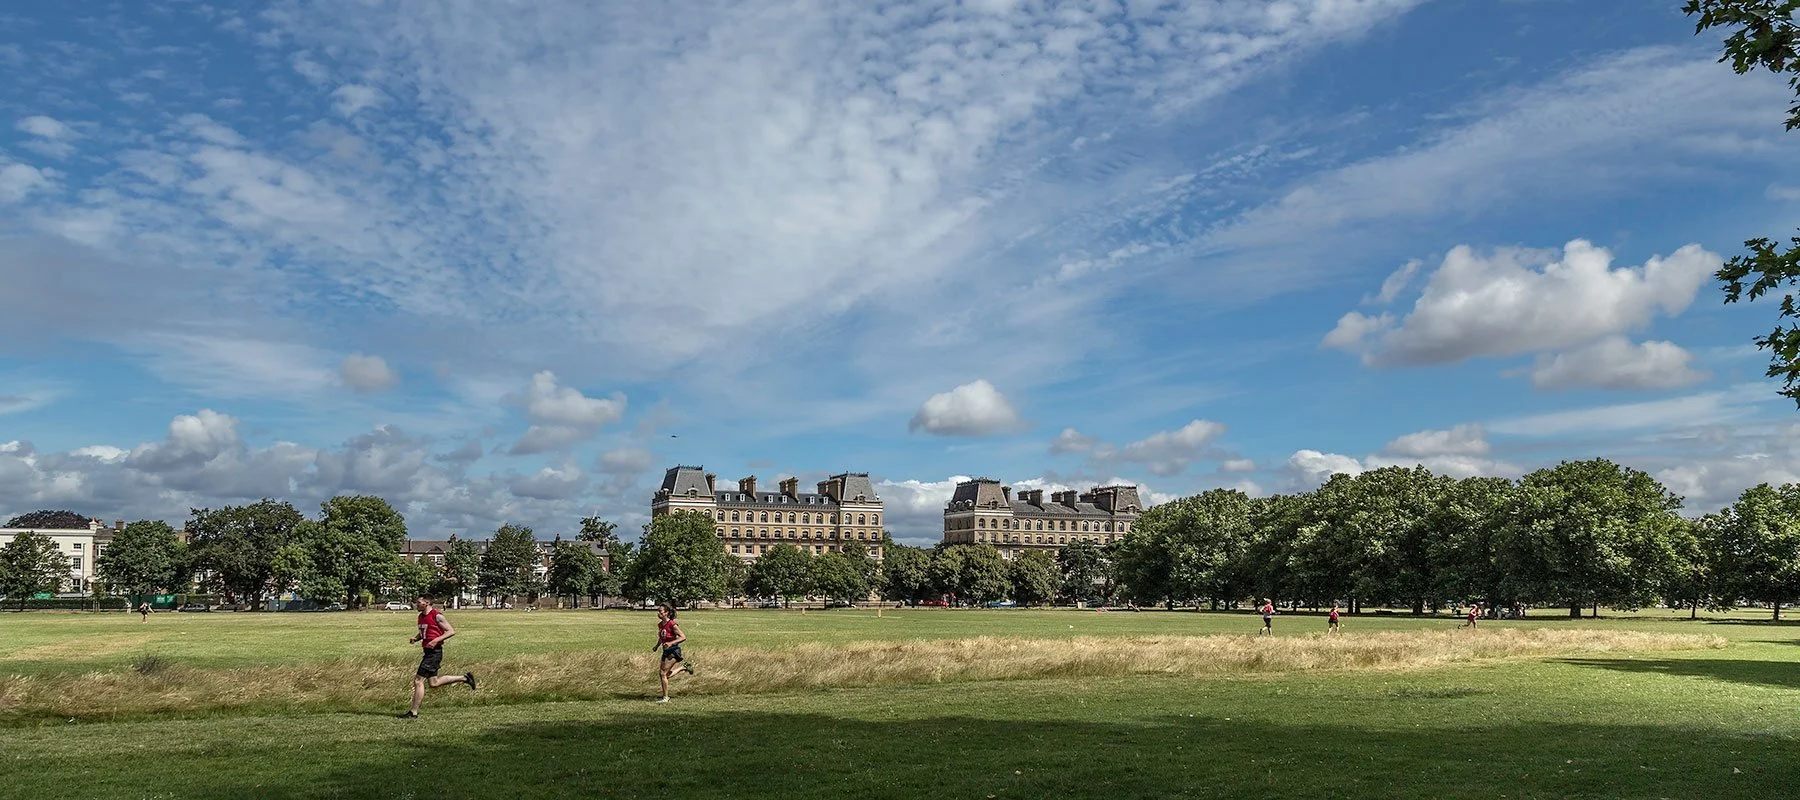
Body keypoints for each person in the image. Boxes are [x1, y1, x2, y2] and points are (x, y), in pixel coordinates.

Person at [401, 595, 475, 719]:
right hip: (428, 652)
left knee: (418, 681)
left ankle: (413, 712)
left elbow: (451, 631)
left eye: (419, 602)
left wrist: (436, 641)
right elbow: (425, 631)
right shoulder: (421, 617)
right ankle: (465, 678)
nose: (416, 604)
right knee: (434, 683)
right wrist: (416, 638)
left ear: (427, 603)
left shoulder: (437, 616)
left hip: (434, 652)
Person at [652, 604, 695, 703]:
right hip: (666, 651)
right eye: (658, 611)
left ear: (666, 613)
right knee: (665, 675)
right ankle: (683, 668)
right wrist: (657, 646)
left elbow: (683, 637)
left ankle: (665, 697)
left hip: (674, 651)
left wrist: (671, 643)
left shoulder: (672, 624)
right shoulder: (660, 625)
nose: (658, 613)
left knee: (662, 673)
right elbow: (662, 637)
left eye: (660, 611)